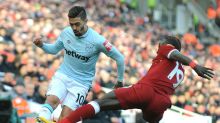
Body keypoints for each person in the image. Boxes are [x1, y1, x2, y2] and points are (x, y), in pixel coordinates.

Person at [59, 36, 214, 123]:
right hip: (161, 101)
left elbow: (173, 54)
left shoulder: (167, 50)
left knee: (100, 103)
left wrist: (195, 65)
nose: (158, 44)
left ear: (168, 45)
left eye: (161, 42)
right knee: (148, 121)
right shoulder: (181, 71)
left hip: (146, 90)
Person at [33, 6, 125, 123]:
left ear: (86, 21)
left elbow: (120, 58)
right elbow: (54, 50)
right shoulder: (66, 33)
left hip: (81, 84)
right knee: (51, 102)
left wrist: (120, 81)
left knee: (65, 119)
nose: (74, 28)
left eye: (77, 24)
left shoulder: (97, 40)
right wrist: (42, 45)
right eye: (71, 24)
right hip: (63, 75)